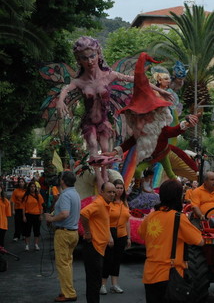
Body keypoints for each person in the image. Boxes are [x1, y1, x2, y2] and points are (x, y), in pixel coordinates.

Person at [56, 37, 172, 186]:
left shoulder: (109, 75)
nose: (90, 61)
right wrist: (60, 101)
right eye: (84, 58)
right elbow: (65, 89)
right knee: (92, 143)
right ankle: (99, 180)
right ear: (78, 60)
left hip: (104, 121)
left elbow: (138, 80)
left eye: (92, 56)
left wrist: (159, 91)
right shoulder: (79, 81)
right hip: (89, 121)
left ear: (98, 54)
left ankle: (105, 179)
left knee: (105, 149)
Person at [105, 52, 199, 187]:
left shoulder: (159, 126)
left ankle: (173, 191)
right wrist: (114, 152)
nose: (142, 117)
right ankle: (140, 189)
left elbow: (173, 131)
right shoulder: (142, 130)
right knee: (143, 172)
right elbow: (130, 142)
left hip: (163, 153)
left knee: (169, 174)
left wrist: (187, 122)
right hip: (150, 155)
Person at [138, 180, 204, 303]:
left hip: (150, 274)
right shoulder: (178, 217)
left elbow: (142, 234)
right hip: (170, 275)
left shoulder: (151, 216)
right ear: (177, 197)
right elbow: (199, 241)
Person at [45, 171, 80, 303]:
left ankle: (69, 293)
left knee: (63, 264)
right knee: (67, 264)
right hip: (72, 232)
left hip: (64, 233)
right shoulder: (75, 193)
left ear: (63, 181)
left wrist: (52, 218)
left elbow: (65, 213)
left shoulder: (65, 195)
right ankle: (67, 289)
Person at [80, 182, 115, 303]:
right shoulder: (99, 203)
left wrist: (109, 236)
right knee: (94, 282)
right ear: (102, 192)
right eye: (109, 192)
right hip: (93, 247)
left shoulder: (105, 204)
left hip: (99, 247)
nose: (112, 194)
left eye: (113, 192)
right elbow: (84, 213)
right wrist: (88, 232)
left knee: (95, 281)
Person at [100, 179, 131, 295]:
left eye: (121, 188)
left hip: (122, 234)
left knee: (117, 260)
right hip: (110, 233)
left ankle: (115, 284)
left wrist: (129, 237)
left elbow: (127, 221)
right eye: (117, 188)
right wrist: (109, 236)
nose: (119, 190)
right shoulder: (108, 203)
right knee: (108, 259)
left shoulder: (125, 203)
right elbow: (105, 220)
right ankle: (102, 284)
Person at [22, 181, 44, 251]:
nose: (32, 188)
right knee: (27, 231)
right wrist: (24, 216)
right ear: (29, 188)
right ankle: (27, 245)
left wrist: (41, 215)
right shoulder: (26, 196)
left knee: (36, 231)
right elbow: (23, 207)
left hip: (37, 215)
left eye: (34, 187)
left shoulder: (38, 196)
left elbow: (41, 206)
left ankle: (36, 244)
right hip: (28, 215)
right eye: (31, 187)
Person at [10, 177, 27, 241]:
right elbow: (13, 200)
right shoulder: (15, 191)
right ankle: (16, 236)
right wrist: (13, 210)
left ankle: (24, 235)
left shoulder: (26, 190)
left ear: (24, 183)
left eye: (22, 182)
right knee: (17, 223)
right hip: (17, 208)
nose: (21, 183)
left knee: (24, 222)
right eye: (20, 182)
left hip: (25, 209)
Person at [0, 182, 11, 247]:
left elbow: (8, 214)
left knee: (1, 241)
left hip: (2, 224)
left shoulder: (6, 201)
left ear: (1, 189)